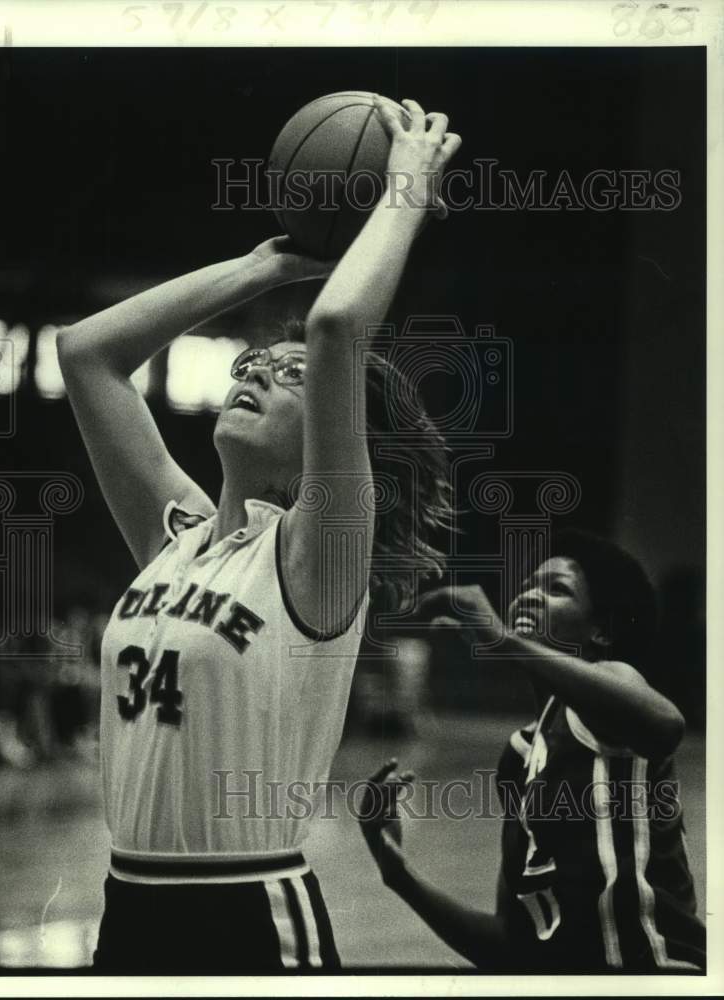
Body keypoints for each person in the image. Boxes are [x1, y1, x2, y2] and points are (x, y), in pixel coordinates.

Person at [57, 97, 460, 973]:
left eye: (288, 379)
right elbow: (86, 353)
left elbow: (337, 328)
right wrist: (258, 265)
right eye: (251, 365)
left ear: (328, 430)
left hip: (251, 913)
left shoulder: (317, 558)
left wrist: (405, 193)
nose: (256, 374)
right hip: (126, 903)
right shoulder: (180, 539)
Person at [359, 529, 706, 972]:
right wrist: (398, 876)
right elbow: (512, 946)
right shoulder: (520, 754)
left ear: (601, 631)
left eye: (557, 589)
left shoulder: (614, 688)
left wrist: (501, 640)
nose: (529, 596)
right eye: (527, 586)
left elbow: (665, 725)